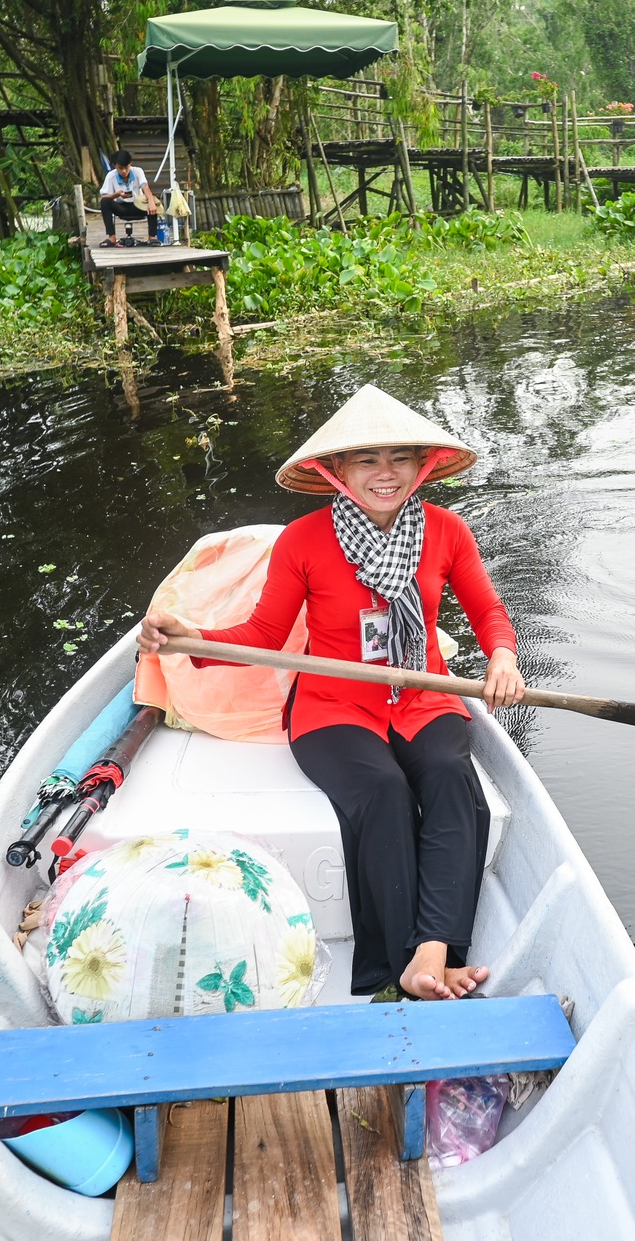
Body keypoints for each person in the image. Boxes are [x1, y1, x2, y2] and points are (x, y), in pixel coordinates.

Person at [139, 386, 526, 1001]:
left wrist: (503, 656)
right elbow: (263, 635)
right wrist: (194, 638)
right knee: (382, 790)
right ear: (336, 471)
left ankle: (433, 951)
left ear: (421, 466)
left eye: (400, 458)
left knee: (453, 776)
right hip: (331, 705)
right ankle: (410, 964)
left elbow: (488, 612)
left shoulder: (447, 532)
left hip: (424, 696)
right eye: (367, 459)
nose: (385, 473)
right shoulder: (305, 539)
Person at [98, 151, 159, 246]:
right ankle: (112, 237)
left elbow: (145, 187)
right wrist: (117, 194)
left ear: (130, 165)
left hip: (138, 206)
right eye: (120, 168)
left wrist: (151, 202)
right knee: (105, 202)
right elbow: (103, 196)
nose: (124, 171)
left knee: (152, 201)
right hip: (121, 207)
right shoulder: (111, 176)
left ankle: (152, 237)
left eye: (126, 168)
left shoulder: (138, 171)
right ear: (114, 166)